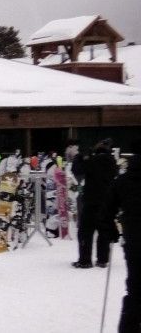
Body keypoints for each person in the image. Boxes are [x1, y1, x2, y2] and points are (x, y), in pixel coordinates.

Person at [71, 139, 119, 269]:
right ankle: (102, 259)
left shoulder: (93, 161)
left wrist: (79, 157)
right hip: (107, 202)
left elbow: (77, 170)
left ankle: (85, 260)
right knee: (103, 231)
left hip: (91, 201)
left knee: (85, 231)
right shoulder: (112, 162)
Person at [108, 143, 139, 333]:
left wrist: (111, 231)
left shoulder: (123, 180)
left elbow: (107, 211)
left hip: (134, 240)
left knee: (135, 289)